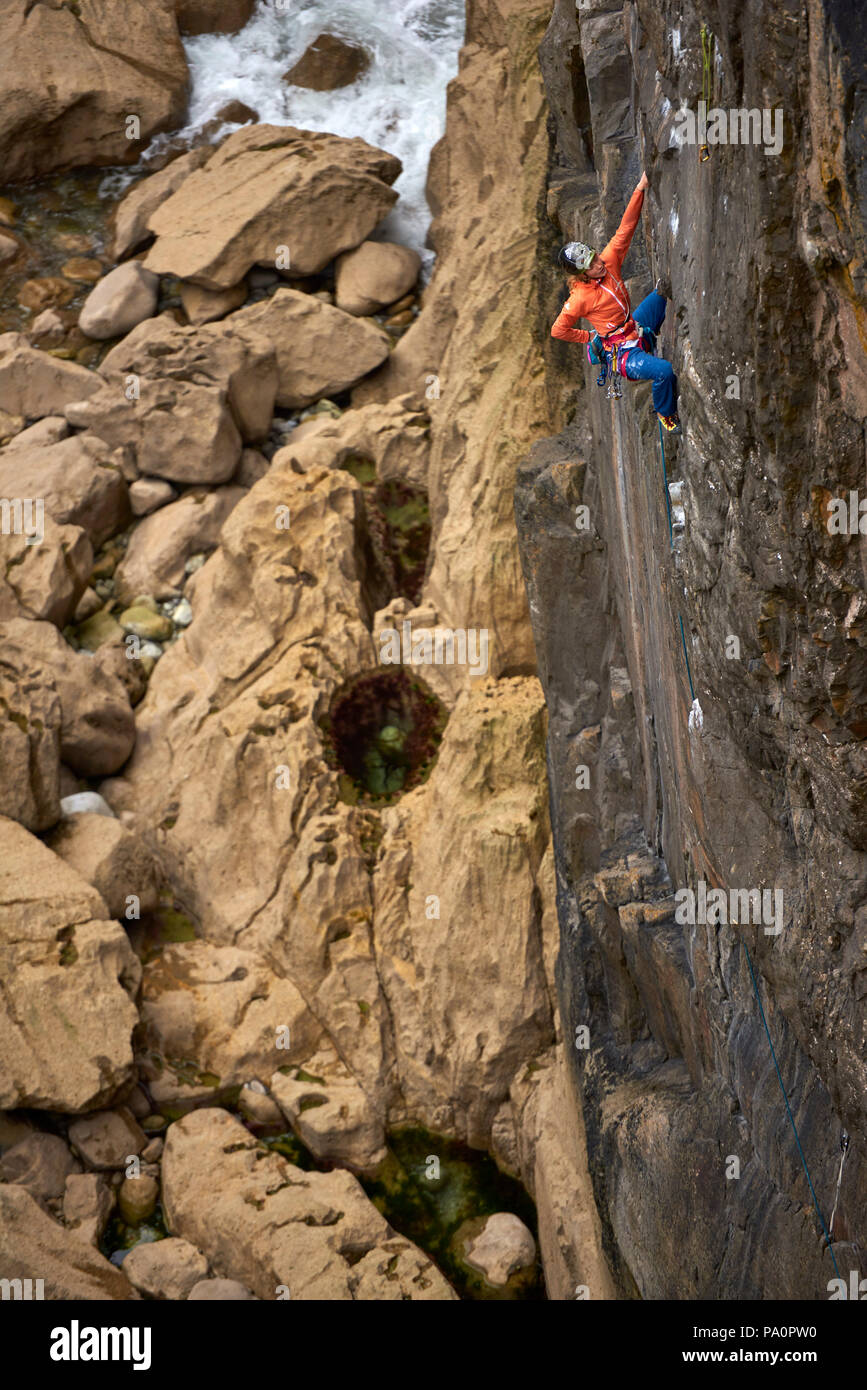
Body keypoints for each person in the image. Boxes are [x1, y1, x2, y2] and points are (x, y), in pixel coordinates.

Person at [551, 172, 681, 433]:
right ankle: (665, 415)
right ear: (581, 274)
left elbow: (626, 228)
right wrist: (588, 338)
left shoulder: (609, 262)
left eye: (595, 257)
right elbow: (558, 330)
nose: (599, 264)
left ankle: (646, 340)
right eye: (591, 265)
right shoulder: (579, 298)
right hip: (622, 353)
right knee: (664, 372)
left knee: (662, 294)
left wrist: (640, 188)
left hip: (634, 325)